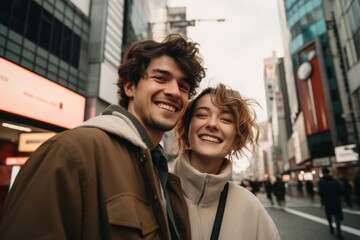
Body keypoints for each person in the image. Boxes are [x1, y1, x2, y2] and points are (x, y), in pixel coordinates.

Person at [0, 34, 206, 239]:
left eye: (183, 86)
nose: (174, 92)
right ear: (130, 86)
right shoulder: (69, 152)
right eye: (160, 78)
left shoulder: (163, 173)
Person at [171, 83, 280, 239]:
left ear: (237, 139)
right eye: (202, 115)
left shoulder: (250, 206)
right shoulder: (156, 191)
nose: (212, 124)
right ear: (187, 129)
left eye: (226, 119)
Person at [318, 167, 343, 239]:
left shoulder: (321, 182)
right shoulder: (335, 181)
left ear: (323, 173)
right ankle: (338, 232)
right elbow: (340, 192)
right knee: (337, 216)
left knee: (329, 216)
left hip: (327, 201)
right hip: (336, 201)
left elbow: (321, 193)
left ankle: (331, 227)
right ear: (329, 173)